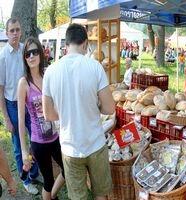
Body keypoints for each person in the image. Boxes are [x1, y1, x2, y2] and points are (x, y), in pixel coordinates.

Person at [42, 23, 115, 200]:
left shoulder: (51, 71)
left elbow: (48, 115)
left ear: (66, 45)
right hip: (95, 143)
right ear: (84, 44)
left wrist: (67, 112)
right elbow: (109, 108)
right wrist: (94, 106)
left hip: (70, 146)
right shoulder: (95, 67)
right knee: (101, 195)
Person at [17, 37, 65, 200]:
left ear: (40, 53)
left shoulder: (48, 74)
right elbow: (21, 121)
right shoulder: (23, 83)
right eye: (27, 54)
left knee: (66, 170)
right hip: (39, 142)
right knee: (48, 180)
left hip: (56, 137)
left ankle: (51, 196)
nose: (31, 56)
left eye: (34, 52)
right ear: (24, 58)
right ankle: (50, 195)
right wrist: (24, 151)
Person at [0, 18, 40, 195]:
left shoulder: (26, 50)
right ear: (6, 33)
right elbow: (0, 90)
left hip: (29, 102)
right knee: (18, 145)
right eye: (11, 31)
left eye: (17, 30)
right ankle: (25, 179)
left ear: (21, 31)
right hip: (12, 105)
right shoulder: (2, 57)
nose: (15, 33)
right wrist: (6, 118)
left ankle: (34, 172)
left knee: (36, 139)